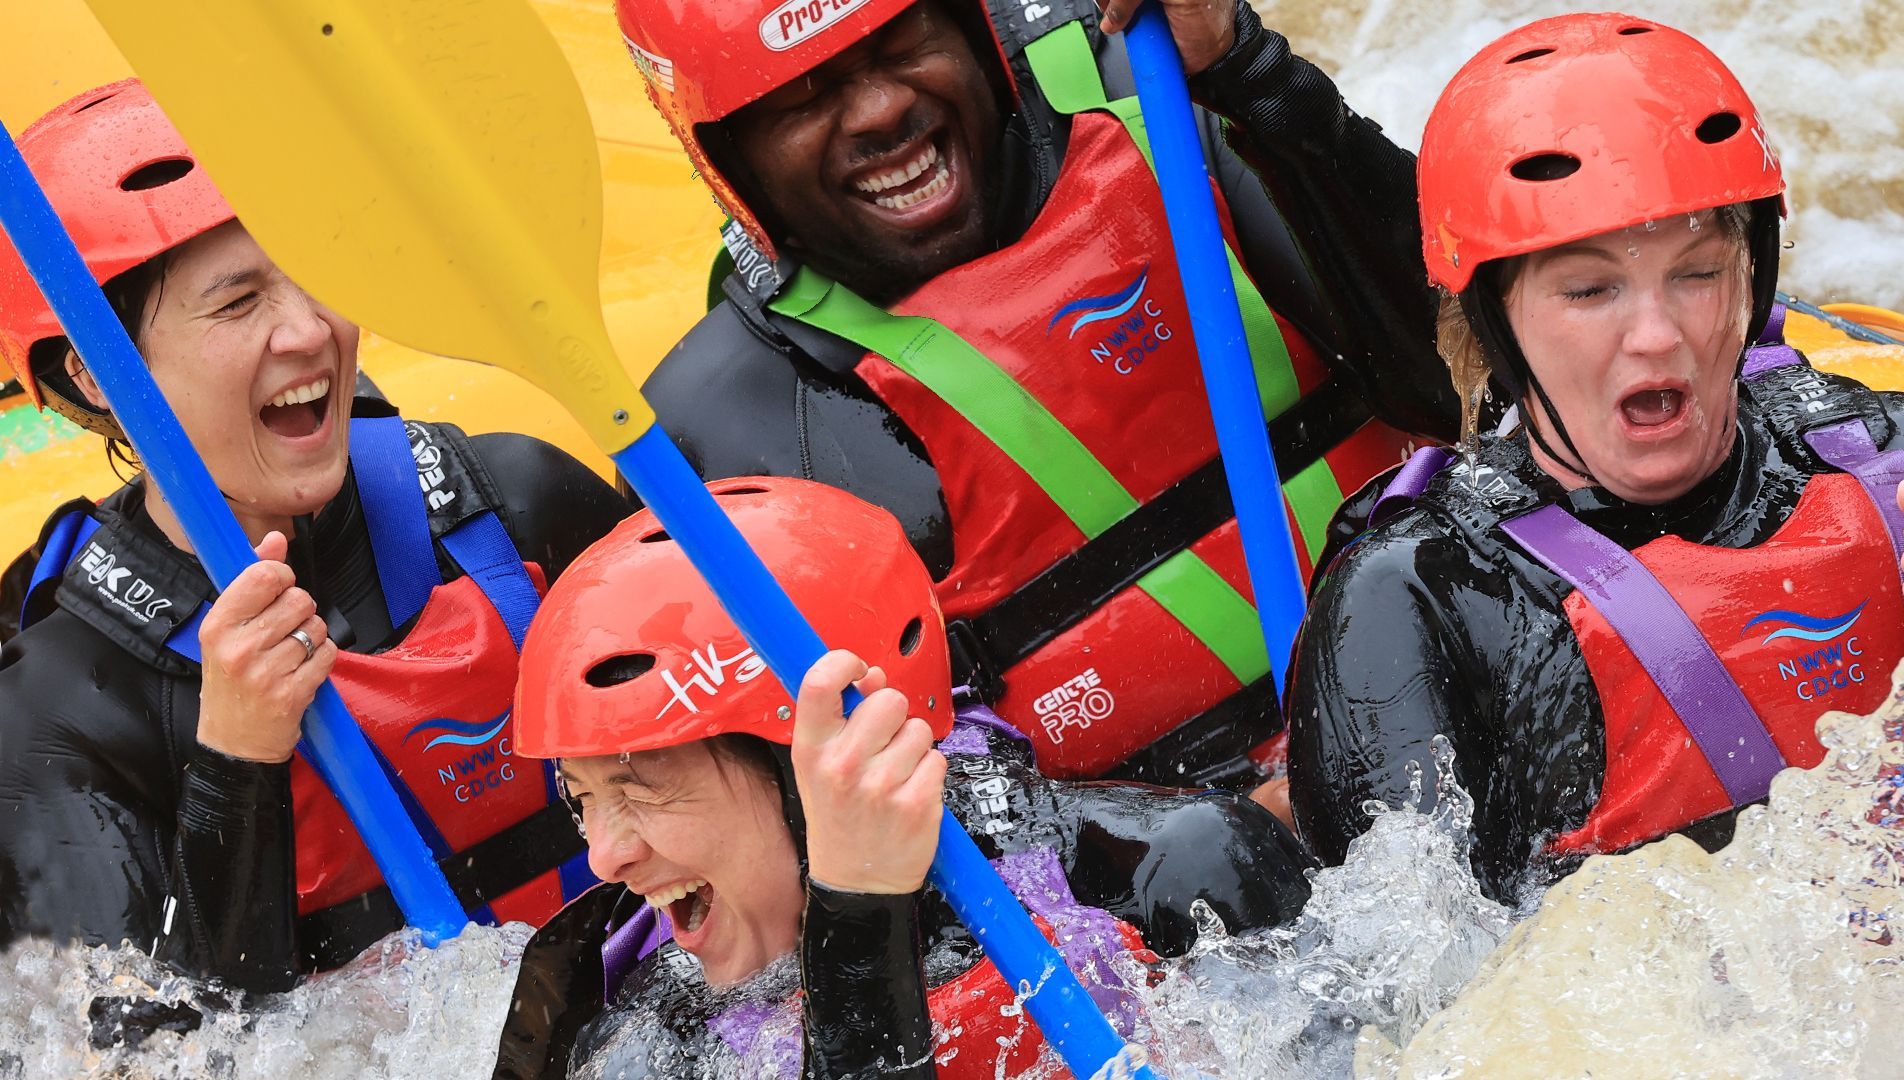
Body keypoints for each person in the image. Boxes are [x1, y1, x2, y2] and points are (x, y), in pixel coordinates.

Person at [613, 0, 1459, 793]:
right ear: (727, 162)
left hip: (1452, 692)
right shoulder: (722, 427)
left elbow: (1470, 365)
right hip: (1175, 890)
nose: (877, 111)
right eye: (803, 94)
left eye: (903, 45)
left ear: (982, 32)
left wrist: (1259, 77)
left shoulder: (1169, 91)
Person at [0, 80, 631, 994]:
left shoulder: (519, 508)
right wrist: (234, 763)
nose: (309, 331)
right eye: (237, 302)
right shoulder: (56, 722)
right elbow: (171, 1054)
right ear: (95, 374)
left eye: (314, 269)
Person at [1286, 13, 1904, 903]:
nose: (1657, 335)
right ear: (1494, 324)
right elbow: (1404, 1015)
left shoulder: (1898, 462)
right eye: (1589, 290)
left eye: (1698, 272)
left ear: (1754, 279)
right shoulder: (1419, 604)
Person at [492, 478, 1314, 1079]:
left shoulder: (1178, 876)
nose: (603, 858)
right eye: (582, 798)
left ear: (818, 760)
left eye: (640, 787)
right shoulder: (649, 1046)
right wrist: (856, 910)